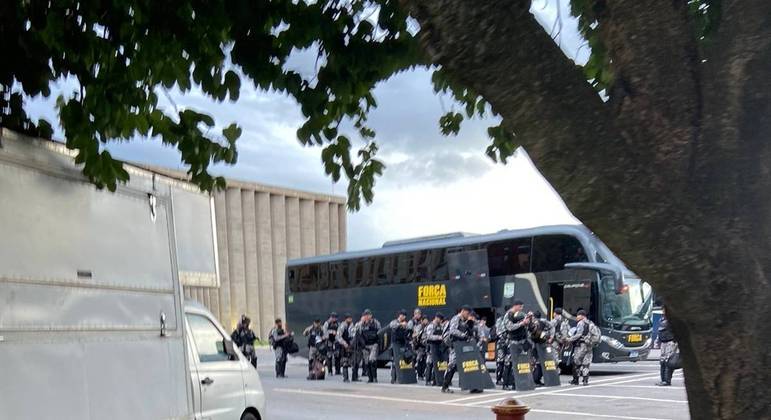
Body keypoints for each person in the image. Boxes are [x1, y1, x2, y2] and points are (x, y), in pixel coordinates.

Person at [441, 305, 473, 393]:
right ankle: (445, 386)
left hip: (458, 343)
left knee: (460, 364)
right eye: (467, 313)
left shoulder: (463, 321)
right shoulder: (456, 318)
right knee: (452, 364)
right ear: (463, 311)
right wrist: (463, 335)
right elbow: (453, 330)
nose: (468, 315)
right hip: (453, 343)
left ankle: (467, 385)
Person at [502, 300, 531, 390]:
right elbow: (510, 327)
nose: (521, 308)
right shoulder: (509, 315)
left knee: (519, 363)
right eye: (520, 306)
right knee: (509, 363)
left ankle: (516, 383)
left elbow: (527, 325)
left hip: (521, 341)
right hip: (512, 342)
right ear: (516, 306)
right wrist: (522, 323)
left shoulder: (521, 314)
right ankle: (505, 384)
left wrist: (528, 320)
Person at [567, 309, 595, 385]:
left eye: (578, 315)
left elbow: (578, 334)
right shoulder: (591, 323)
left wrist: (569, 339)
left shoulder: (581, 323)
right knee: (586, 363)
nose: (577, 317)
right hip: (589, 345)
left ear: (582, 316)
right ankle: (585, 380)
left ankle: (575, 380)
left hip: (581, 346)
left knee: (577, 363)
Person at [353, 309, 381, 383]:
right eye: (365, 315)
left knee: (372, 360)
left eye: (368, 315)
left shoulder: (376, 323)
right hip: (365, 345)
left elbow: (380, 333)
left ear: (371, 315)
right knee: (367, 362)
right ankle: (370, 378)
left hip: (373, 344)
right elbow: (354, 331)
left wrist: (378, 343)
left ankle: (374, 377)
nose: (366, 317)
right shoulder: (361, 324)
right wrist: (361, 322)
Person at [529, 310, 554, 386]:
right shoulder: (544, 321)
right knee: (539, 362)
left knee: (535, 362)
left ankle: (535, 380)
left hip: (534, 345)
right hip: (541, 344)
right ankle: (536, 379)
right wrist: (550, 337)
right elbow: (552, 327)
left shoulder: (532, 322)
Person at [656, 307, 678, 386]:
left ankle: (667, 380)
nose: (663, 311)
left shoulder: (672, 320)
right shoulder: (661, 319)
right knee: (662, 361)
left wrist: (675, 341)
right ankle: (663, 380)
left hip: (670, 342)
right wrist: (657, 341)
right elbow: (659, 332)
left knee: (668, 361)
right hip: (663, 342)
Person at [389, 309, 411, 384]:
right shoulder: (395, 322)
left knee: (402, 361)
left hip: (402, 344)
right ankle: (393, 378)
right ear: (399, 315)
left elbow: (408, 331)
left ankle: (401, 378)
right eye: (402, 315)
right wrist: (401, 324)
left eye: (404, 316)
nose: (403, 317)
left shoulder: (406, 323)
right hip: (395, 345)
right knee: (395, 362)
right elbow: (391, 325)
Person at [424, 312, 446, 386]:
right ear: (436, 318)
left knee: (437, 364)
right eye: (440, 319)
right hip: (431, 346)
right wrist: (439, 337)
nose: (441, 321)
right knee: (430, 363)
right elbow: (429, 336)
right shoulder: (431, 326)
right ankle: (427, 380)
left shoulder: (440, 326)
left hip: (438, 346)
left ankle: (435, 380)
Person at [336, 313, 356, 382]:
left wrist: (352, 344)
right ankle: (346, 378)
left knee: (354, 362)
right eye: (348, 318)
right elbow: (338, 337)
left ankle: (354, 377)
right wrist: (344, 344)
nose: (350, 319)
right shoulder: (342, 326)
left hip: (351, 346)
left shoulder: (353, 326)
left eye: (350, 318)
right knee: (345, 362)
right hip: (344, 346)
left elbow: (354, 336)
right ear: (346, 319)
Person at [493, 307, 509, 385]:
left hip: (509, 344)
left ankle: (507, 379)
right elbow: (498, 332)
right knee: (500, 361)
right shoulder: (501, 320)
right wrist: (505, 337)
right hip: (502, 344)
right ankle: (499, 379)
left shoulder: (511, 319)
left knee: (508, 362)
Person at [413, 316, 429, 380]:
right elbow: (415, 335)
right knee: (419, 360)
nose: (426, 321)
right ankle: (419, 374)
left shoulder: (428, 326)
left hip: (425, 346)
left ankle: (422, 373)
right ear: (422, 320)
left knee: (424, 361)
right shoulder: (419, 327)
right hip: (419, 346)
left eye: (426, 320)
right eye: (425, 320)